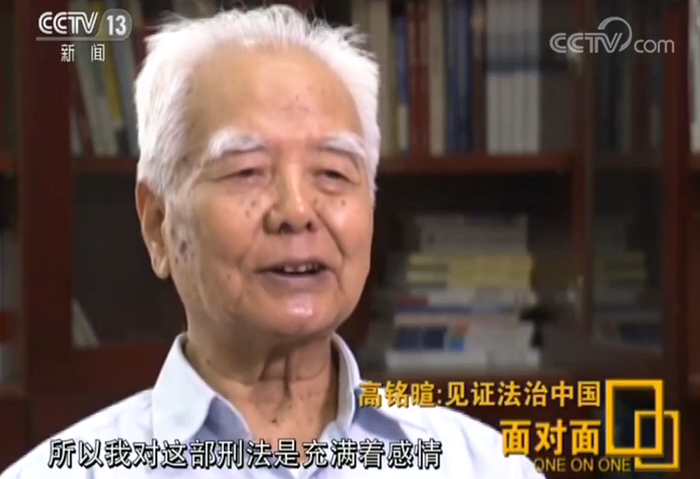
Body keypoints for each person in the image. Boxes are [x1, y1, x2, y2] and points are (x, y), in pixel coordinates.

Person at [2, 5, 544, 478]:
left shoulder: (483, 466)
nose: (297, 212)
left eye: (333, 173)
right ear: (158, 224)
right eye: (247, 171)